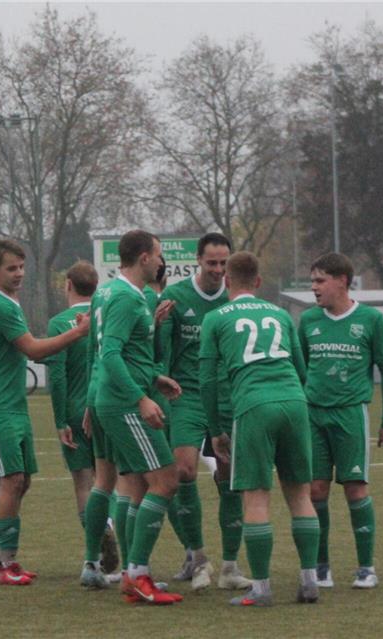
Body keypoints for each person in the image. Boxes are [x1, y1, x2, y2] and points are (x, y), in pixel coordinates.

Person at [200, 251, 319, 607]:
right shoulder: (281, 314)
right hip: (294, 402)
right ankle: (309, 581)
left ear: (226, 281)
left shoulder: (216, 318)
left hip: (253, 405)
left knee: (255, 496)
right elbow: (301, 368)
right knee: (299, 494)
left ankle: (263, 588)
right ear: (258, 282)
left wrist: (216, 429)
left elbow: (207, 380)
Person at [0, 238, 90, 585]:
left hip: (15, 406)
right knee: (10, 480)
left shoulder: (10, 303)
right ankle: (7, 563)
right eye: (12, 268)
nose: (19, 274)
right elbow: (33, 350)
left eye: (22, 267)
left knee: (22, 481)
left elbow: (33, 352)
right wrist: (79, 331)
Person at [92, 230, 184, 605]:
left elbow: (124, 353)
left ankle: (136, 572)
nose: (162, 262)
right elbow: (109, 356)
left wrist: (153, 378)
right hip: (123, 404)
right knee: (166, 480)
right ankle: (137, 573)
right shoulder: (127, 299)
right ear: (144, 257)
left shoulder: (111, 292)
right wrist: (141, 398)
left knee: (143, 484)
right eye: (159, 255)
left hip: (120, 398)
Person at [156, 232, 252, 591]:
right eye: (211, 262)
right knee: (182, 471)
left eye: (223, 263)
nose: (217, 269)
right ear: (198, 259)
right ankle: (197, 557)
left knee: (229, 481)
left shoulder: (235, 300)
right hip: (186, 396)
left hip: (226, 398)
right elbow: (161, 353)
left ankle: (229, 566)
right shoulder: (175, 297)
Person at [299, 253, 383, 589]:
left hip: (350, 413)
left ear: (342, 280)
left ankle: (366, 567)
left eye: (320, 280)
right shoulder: (309, 320)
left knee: (355, 488)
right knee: (315, 489)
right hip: (312, 414)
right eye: (312, 281)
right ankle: (321, 566)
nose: (314, 288)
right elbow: (301, 369)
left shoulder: (370, 320)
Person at [44, 261, 119, 580]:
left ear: (68, 286)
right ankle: (113, 535)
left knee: (84, 483)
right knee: (110, 481)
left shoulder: (61, 322)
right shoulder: (106, 316)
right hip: (104, 404)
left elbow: (57, 376)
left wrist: (60, 419)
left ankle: (95, 553)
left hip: (75, 410)